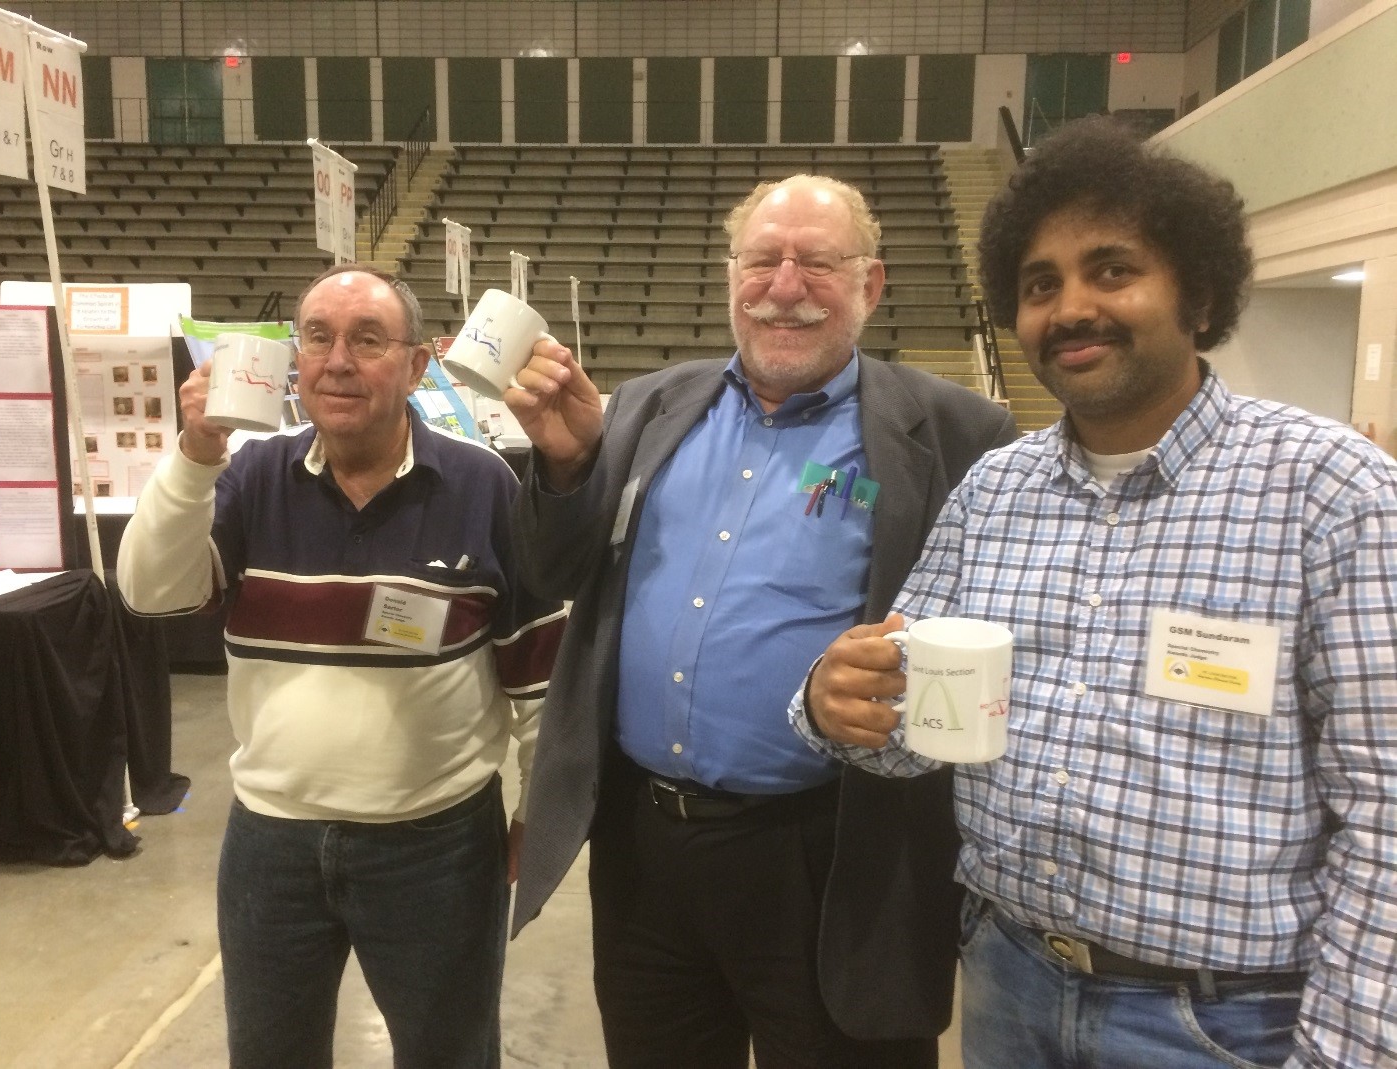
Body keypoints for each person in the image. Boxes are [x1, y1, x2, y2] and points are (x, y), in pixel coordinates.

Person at [796, 117, 1397, 1069]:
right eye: (1041, 285)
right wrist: (835, 706)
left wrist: (1348, 1052)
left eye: (1112, 270)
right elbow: (912, 724)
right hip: (1008, 981)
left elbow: (1386, 809)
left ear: (1198, 292)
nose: (1071, 307)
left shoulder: (1331, 491)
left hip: (1224, 1024)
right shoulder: (995, 490)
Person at [503, 173, 1016, 1068]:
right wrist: (568, 468)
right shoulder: (648, 405)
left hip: (835, 853)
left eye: (817, 262)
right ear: (730, 274)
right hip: (644, 846)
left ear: (870, 283)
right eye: (762, 260)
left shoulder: (960, 432)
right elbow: (554, 572)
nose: (785, 287)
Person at [118, 265, 565, 1069]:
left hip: (437, 844)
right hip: (270, 843)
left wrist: (538, 811)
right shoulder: (252, 477)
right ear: (294, 358)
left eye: (367, 339)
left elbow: (538, 669)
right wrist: (194, 453)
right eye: (318, 337)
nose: (337, 361)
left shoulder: (481, 484)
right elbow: (149, 591)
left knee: (450, 1055)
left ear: (418, 364)